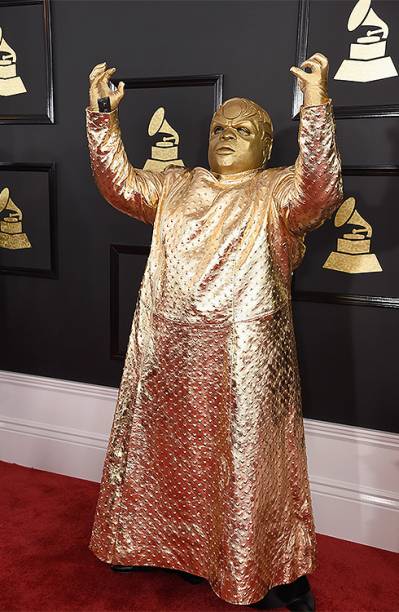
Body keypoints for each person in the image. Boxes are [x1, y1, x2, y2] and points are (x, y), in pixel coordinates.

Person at [86, 52, 343, 611]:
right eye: (219, 127)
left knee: (248, 460)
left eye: (243, 129)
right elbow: (118, 185)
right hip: (169, 347)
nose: (227, 135)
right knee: (168, 452)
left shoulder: (278, 192)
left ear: (266, 147)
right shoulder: (176, 185)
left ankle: (267, 568)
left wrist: (317, 106)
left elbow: (321, 190)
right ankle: (174, 547)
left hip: (244, 354)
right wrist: (103, 119)